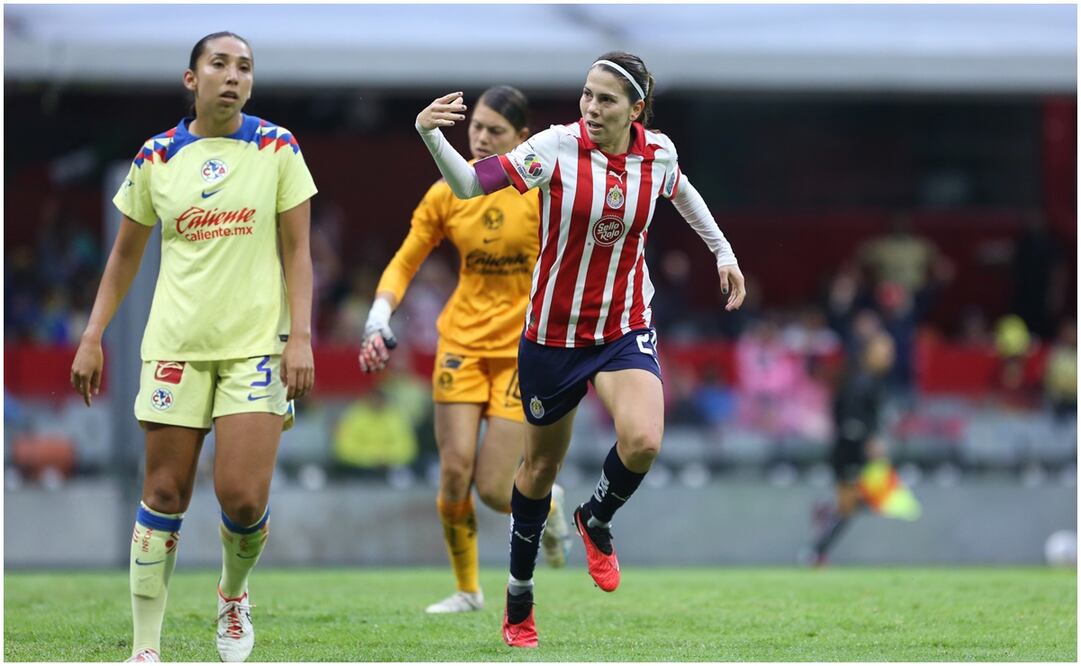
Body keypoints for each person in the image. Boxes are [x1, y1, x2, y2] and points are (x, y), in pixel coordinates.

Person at [413, 51, 746, 647]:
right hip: (553, 335)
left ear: (635, 109)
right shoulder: (555, 147)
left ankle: (595, 518)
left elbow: (683, 192)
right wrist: (430, 135)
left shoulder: (657, 153)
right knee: (539, 469)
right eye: (587, 95)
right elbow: (467, 185)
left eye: (606, 100)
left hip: (622, 326)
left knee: (643, 440)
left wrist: (723, 252)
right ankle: (518, 597)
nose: (591, 108)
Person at [69, 31, 317, 663]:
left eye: (245, 68)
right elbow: (125, 255)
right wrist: (93, 334)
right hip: (176, 346)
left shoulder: (277, 146)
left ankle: (232, 598)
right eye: (220, 65)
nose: (233, 77)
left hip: (257, 348)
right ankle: (146, 649)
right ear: (192, 79)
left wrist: (302, 337)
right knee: (164, 493)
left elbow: (299, 254)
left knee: (241, 497)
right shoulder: (157, 156)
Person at [358, 86, 571, 615]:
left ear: (523, 140)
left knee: (496, 490)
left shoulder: (543, 192)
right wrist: (378, 315)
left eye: (494, 132)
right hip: (460, 344)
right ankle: (468, 590)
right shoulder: (445, 193)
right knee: (453, 471)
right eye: (475, 126)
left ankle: (550, 504)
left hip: (523, 351)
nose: (479, 137)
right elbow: (406, 260)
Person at [808, 331, 895, 566]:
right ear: (868, 354)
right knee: (854, 503)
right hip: (850, 450)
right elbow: (849, 418)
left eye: (890, 352)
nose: (889, 356)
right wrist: (869, 439)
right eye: (883, 351)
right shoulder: (861, 382)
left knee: (865, 500)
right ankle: (816, 552)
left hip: (855, 449)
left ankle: (826, 515)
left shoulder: (871, 382)